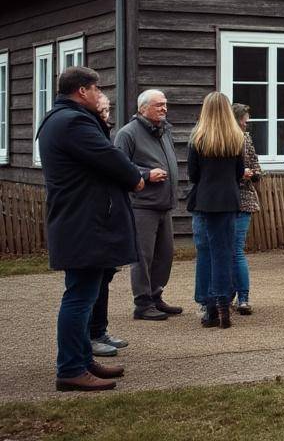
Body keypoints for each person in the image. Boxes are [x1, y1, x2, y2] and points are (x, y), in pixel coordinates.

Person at [39, 66, 144, 391]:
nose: (100, 95)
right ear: (82, 90)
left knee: (86, 293)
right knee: (80, 297)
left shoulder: (62, 119)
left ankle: (83, 360)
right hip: (83, 222)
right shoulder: (73, 122)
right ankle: (71, 368)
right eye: (97, 89)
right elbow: (109, 157)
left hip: (80, 220)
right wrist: (136, 177)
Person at [113, 89, 182, 322]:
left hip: (164, 204)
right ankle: (142, 304)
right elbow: (119, 167)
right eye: (158, 105)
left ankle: (156, 296)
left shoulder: (164, 130)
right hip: (142, 205)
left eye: (165, 104)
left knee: (165, 255)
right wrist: (145, 174)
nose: (164, 108)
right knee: (143, 257)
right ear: (143, 108)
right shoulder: (127, 133)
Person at [187, 91, 245, 330]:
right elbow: (239, 173)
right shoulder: (236, 137)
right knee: (224, 252)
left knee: (205, 252)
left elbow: (193, 174)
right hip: (229, 200)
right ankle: (223, 303)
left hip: (205, 201)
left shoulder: (198, 138)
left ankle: (209, 306)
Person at [88, 94, 131, 359]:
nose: (106, 115)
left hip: (109, 214)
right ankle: (90, 336)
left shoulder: (103, 134)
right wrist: (138, 176)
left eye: (107, 110)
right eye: (102, 110)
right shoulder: (90, 136)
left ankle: (99, 330)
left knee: (104, 278)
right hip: (94, 219)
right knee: (90, 284)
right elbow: (116, 167)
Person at [231, 103, 262, 314]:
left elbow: (257, 167)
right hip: (225, 200)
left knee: (236, 249)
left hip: (244, 199)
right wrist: (239, 173)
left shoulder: (247, 138)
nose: (246, 124)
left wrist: (252, 173)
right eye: (244, 121)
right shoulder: (225, 139)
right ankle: (230, 295)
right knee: (229, 250)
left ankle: (242, 298)